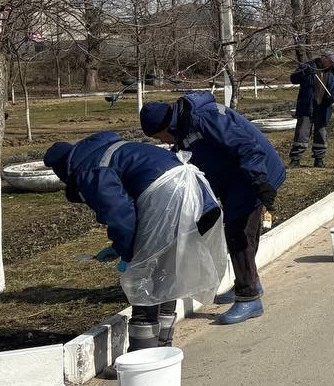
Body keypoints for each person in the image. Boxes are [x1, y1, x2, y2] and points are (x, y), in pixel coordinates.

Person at [44, 132, 222, 355]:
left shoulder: (89, 169)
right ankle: (162, 348)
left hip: (168, 194)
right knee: (168, 268)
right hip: (196, 191)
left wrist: (127, 254)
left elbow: (121, 216)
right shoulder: (110, 151)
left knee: (142, 273)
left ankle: (143, 356)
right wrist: (118, 246)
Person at [140, 91, 286, 325]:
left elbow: (245, 145)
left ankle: (249, 298)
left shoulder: (202, 118)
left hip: (253, 174)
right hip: (235, 178)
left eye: (160, 137)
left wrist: (260, 182)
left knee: (240, 235)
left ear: (165, 126)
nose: (163, 143)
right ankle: (246, 283)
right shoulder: (183, 128)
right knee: (240, 233)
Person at [289, 50, 334, 169]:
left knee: (321, 134)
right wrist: (306, 72)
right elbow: (293, 78)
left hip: (323, 108)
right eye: (330, 61)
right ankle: (295, 159)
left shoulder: (333, 73)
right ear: (324, 58)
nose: (332, 64)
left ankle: (319, 159)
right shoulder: (308, 66)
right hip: (307, 106)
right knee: (302, 133)